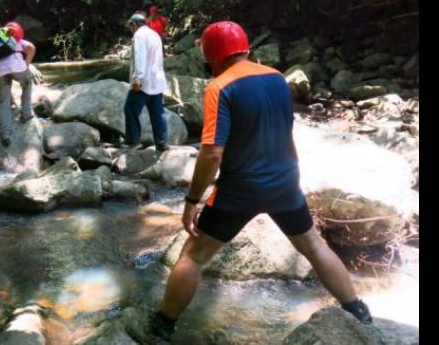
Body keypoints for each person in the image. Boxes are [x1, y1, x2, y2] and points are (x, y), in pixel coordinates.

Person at [126, 21, 372, 343]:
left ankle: (161, 327)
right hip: (285, 182)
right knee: (313, 246)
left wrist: (191, 202)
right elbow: (287, 133)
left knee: (193, 256)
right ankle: (358, 312)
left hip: (238, 189)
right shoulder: (278, 79)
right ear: (246, 49)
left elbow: (212, 152)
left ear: (211, 57)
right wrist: (292, 175)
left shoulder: (219, 87)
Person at [124, 13, 169, 152]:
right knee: (157, 112)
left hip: (144, 82)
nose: (130, 29)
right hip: (157, 80)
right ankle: (161, 143)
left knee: (130, 110)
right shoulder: (154, 34)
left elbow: (140, 58)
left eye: (130, 26)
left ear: (134, 25)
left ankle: (133, 142)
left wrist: (137, 79)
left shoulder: (139, 36)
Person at [0, 21, 36, 146]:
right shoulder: (18, 41)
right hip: (17, 67)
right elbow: (32, 48)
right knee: (28, 81)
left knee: (2, 102)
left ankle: (5, 135)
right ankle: (26, 113)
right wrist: (27, 63)